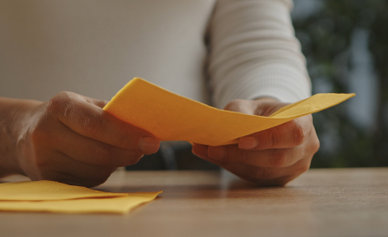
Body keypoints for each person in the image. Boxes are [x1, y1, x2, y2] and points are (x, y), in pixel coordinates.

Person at [0, 0, 319, 187]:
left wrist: (273, 110)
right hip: (17, 198)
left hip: (187, 194)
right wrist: (12, 132)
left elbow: (258, 44)